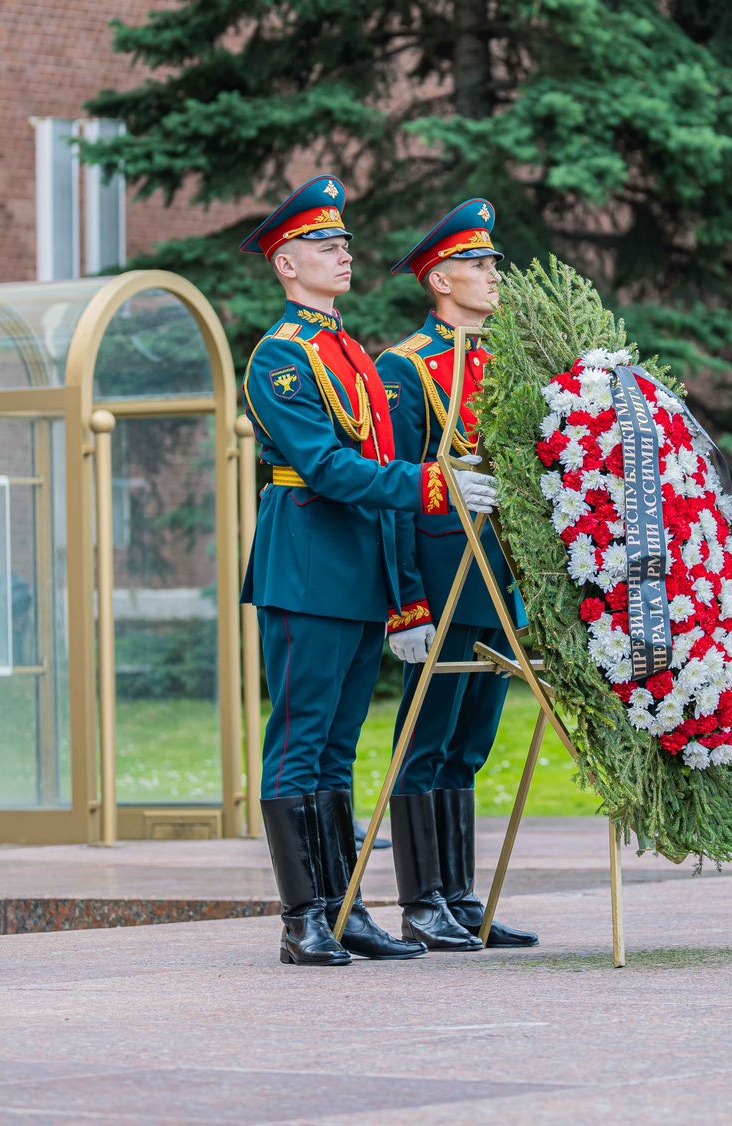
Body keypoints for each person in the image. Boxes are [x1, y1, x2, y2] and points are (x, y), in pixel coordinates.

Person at [240, 175, 495, 967]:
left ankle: (343, 908)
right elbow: (325, 467)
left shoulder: (348, 353)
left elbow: (377, 475)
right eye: (324, 245)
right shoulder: (281, 358)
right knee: (300, 741)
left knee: (337, 749)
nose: (342, 254)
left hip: (354, 570)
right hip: (307, 564)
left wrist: (401, 591)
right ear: (287, 264)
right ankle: (302, 918)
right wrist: (434, 485)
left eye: (344, 243)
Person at [377, 197, 538, 949]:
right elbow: (395, 492)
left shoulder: (506, 361)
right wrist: (406, 602)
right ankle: (421, 902)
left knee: (471, 742)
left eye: (492, 262)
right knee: (427, 739)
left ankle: (460, 897)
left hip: (497, 577)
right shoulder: (406, 366)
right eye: (478, 263)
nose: (493, 274)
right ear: (441, 279)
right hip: (441, 577)